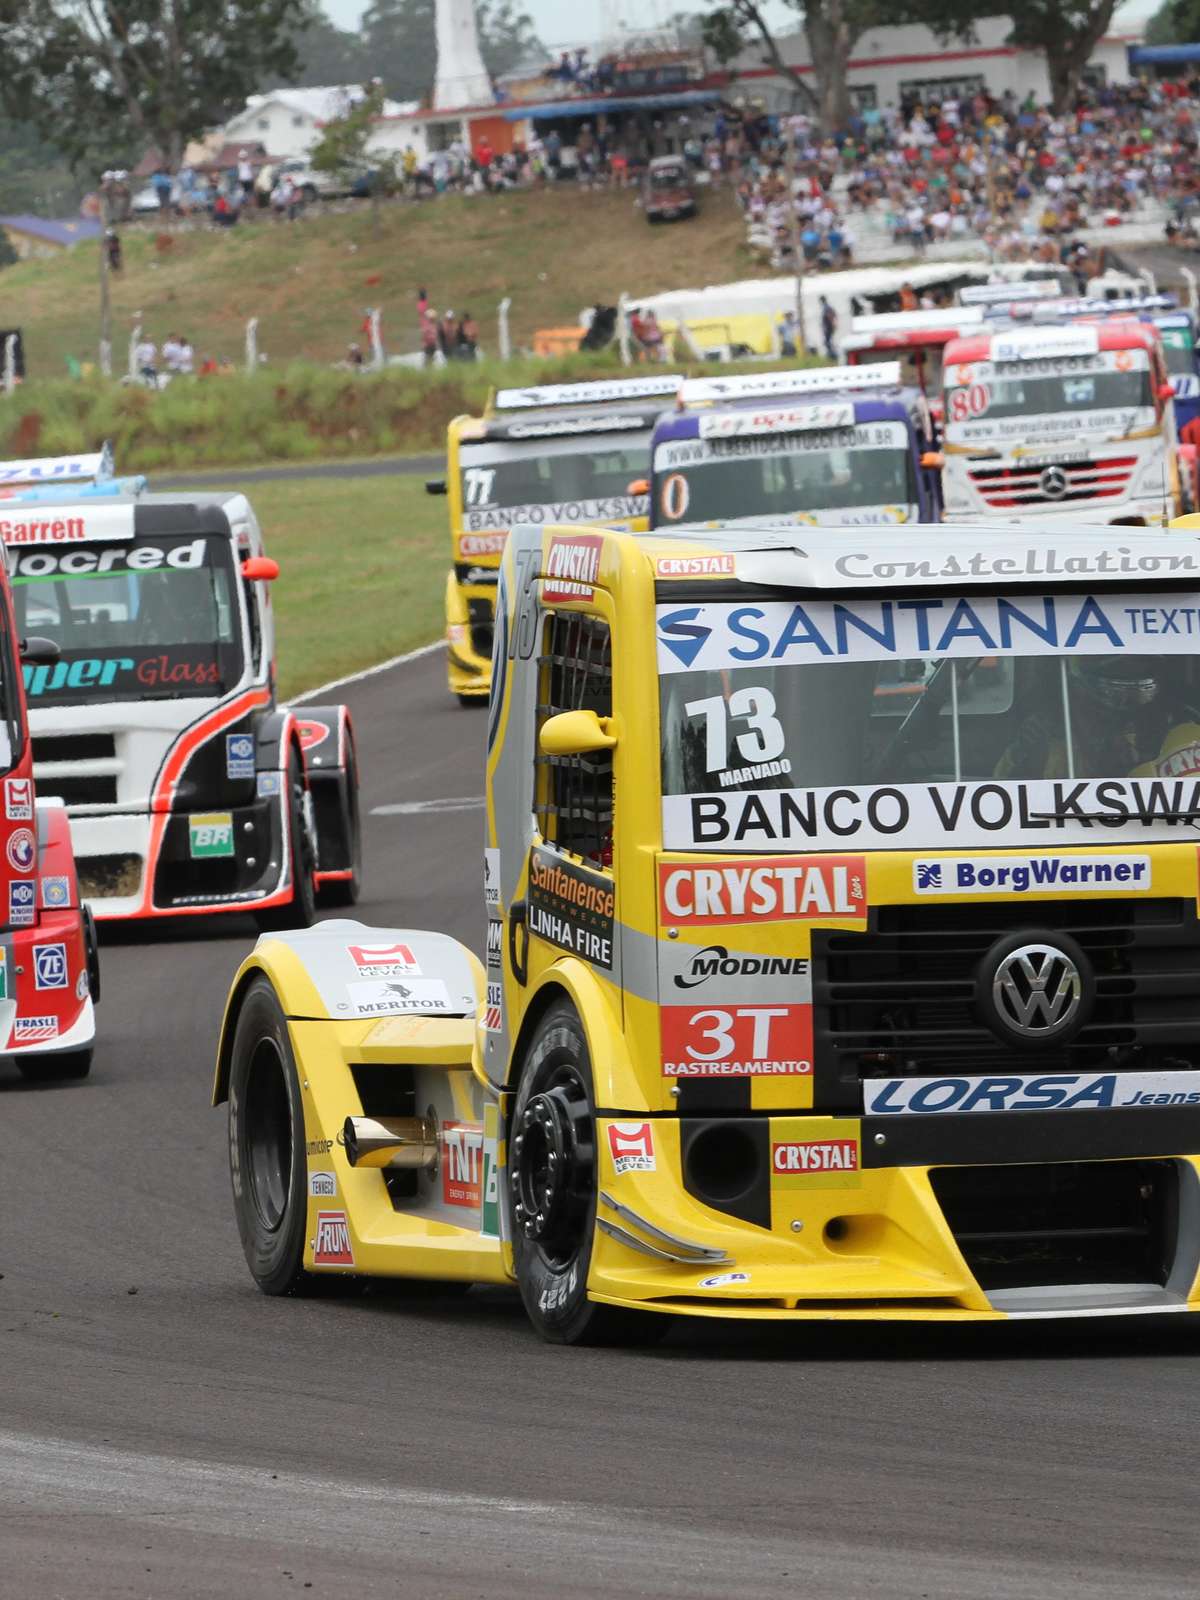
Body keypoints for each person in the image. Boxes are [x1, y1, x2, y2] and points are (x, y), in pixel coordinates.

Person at [995, 658, 1199, 781]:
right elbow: (1009, 789)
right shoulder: (1045, 730)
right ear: (1075, 687)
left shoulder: (1182, 725)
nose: (1123, 705)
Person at [819, 294, 837, 359]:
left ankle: (832, 354)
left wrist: (831, 324)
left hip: (828, 327)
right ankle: (831, 354)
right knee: (828, 341)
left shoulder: (826, 307)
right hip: (829, 326)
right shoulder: (827, 307)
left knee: (828, 341)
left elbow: (830, 316)